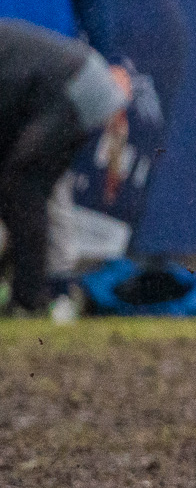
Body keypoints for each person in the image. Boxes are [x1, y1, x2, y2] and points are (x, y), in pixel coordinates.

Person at [0, 0, 125, 296]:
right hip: (5, 72)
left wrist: (111, 61)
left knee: (43, 187)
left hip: (50, 78)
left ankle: (53, 282)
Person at [0, 20, 127, 313]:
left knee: (21, 186)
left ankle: (29, 300)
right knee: (16, 186)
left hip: (76, 84)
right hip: (65, 84)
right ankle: (28, 293)